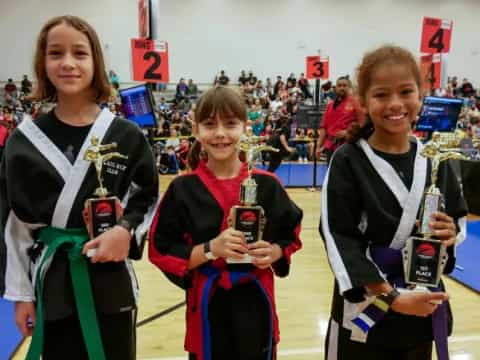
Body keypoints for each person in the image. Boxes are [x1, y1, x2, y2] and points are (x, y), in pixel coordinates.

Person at [0, 16, 158, 360]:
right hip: (53, 282)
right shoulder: (23, 142)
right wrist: (21, 295)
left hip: (111, 281)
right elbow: (16, 227)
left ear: (95, 63)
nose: (68, 63)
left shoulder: (126, 135)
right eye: (56, 53)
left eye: (80, 53)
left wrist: (126, 232)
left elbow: (146, 197)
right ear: (43, 64)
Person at [320, 45, 468, 360]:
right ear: (363, 101)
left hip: (420, 305)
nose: (395, 104)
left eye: (405, 91)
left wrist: (450, 235)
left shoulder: (433, 158)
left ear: (421, 95)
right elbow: (338, 237)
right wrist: (392, 297)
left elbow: (456, 219)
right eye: (381, 95)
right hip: (365, 311)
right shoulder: (349, 159)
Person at [149, 86, 302, 360]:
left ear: (245, 127)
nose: (220, 133)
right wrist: (211, 249)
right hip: (208, 308)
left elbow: (290, 234)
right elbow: (161, 250)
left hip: (257, 306)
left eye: (230, 124)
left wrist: (274, 252)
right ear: (195, 130)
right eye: (209, 125)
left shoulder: (267, 184)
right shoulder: (182, 189)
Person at [316, 75, 364, 163]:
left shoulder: (356, 103)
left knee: (346, 175)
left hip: (348, 146)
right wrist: (318, 146)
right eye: (339, 85)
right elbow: (323, 127)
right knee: (332, 174)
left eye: (344, 85)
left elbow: (363, 124)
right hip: (330, 146)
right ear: (335, 88)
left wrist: (348, 132)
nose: (342, 88)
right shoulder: (330, 106)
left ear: (349, 87)